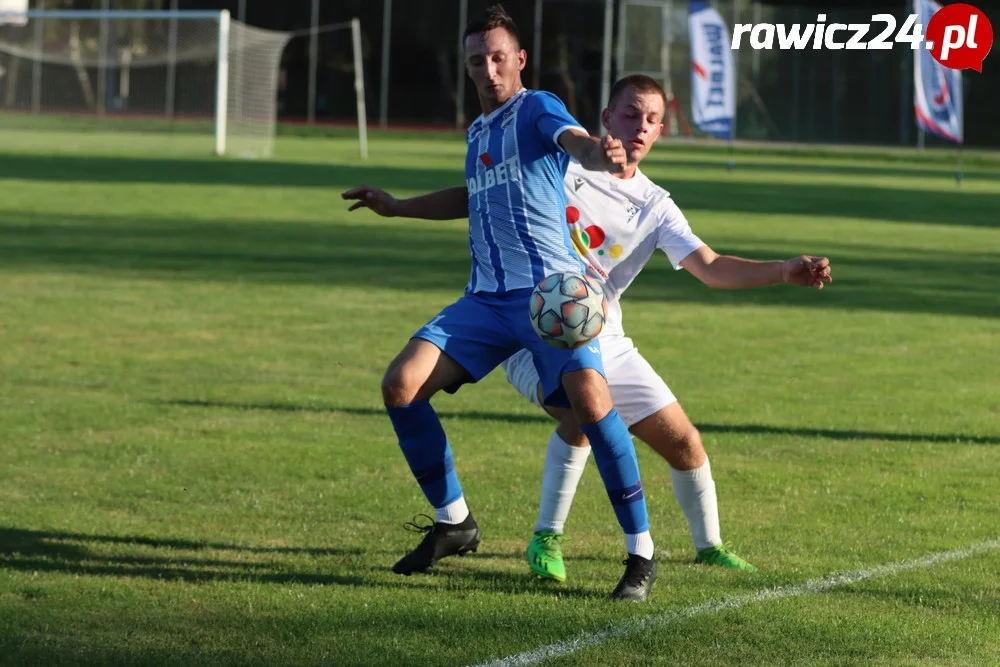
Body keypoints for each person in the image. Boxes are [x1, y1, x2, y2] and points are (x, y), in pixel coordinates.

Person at [342, 5, 658, 600]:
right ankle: (455, 521)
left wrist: (602, 151)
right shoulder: (479, 132)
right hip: (485, 299)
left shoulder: (536, 108)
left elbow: (576, 144)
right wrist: (400, 205)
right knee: (401, 384)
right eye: (476, 61)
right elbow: (473, 195)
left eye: (496, 57)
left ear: (519, 60)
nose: (487, 69)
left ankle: (640, 554)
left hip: (550, 298)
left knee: (592, 407)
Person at [501, 74, 833, 583]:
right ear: (606, 119)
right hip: (535, 331)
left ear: (659, 132)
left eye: (652, 120)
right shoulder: (562, 166)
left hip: (605, 336)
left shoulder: (656, 205)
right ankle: (547, 537)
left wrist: (782, 269)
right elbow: (487, 199)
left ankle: (710, 547)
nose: (640, 126)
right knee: (583, 412)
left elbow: (711, 265)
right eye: (630, 114)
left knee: (684, 443)